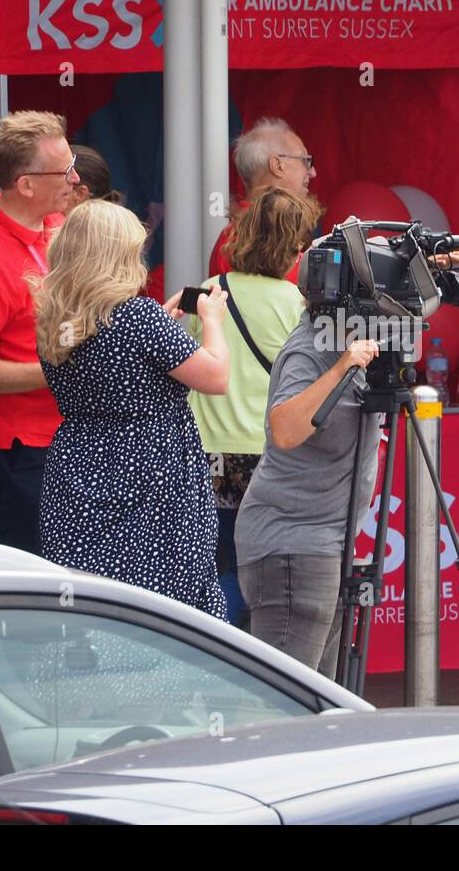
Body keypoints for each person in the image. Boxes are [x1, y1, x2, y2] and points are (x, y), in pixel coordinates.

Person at [32, 199, 230, 617]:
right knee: (166, 617)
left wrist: (162, 321)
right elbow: (216, 378)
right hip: (152, 479)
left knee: (93, 611)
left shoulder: (55, 318)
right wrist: (211, 320)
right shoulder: (138, 318)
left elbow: (113, 360)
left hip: (79, 474)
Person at [187, 187, 323, 626]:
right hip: (264, 456)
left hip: (204, 452)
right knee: (254, 572)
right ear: (295, 248)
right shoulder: (298, 305)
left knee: (214, 563)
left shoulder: (207, 291)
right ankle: (219, 643)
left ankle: (202, 638)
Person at [0, 111, 78, 554]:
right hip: (20, 451)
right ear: (25, 185)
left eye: (71, 162)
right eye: (63, 171)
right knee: (35, 581)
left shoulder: (56, 226)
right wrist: (55, 373)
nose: (75, 178)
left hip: (67, 432)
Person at [233, 296, 383, 678]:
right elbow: (284, 429)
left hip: (322, 543)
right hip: (291, 545)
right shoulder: (310, 347)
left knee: (317, 700)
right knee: (284, 701)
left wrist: (440, 263)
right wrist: (340, 369)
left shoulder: (344, 335)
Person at [208, 117, 314, 281]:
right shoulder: (259, 236)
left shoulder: (234, 236)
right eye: (306, 161)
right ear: (277, 165)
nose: (313, 172)